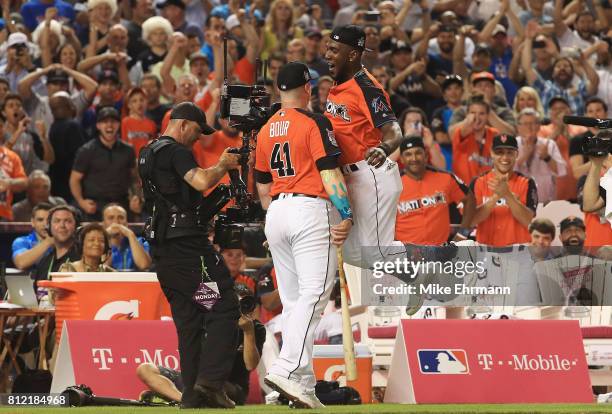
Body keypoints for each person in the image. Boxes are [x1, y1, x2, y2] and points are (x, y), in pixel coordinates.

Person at [254, 62, 353, 409]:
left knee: (295, 302)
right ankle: (287, 367)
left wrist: (273, 221)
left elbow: (262, 184)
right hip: (309, 208)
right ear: (307, 88)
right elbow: (329, 173)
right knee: (315, 294)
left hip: (277, 210)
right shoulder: (314, 121)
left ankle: (301, 383)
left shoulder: (265, 129)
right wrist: (347, 213)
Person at [139, 101, 241, 409]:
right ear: (182, 125)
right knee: (223, 306)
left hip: (165, 254)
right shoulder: (176, 151)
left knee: (191, 319)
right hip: (190, 254)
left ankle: (193, 396)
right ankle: (210, 383)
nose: (198, 139)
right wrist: (223, 164)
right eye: (196, 133)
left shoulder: (149, 151)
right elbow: (200, 180)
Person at [324, 25, 406, 270]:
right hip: (349, 178)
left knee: (375, 255)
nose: (327, 54)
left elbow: (395, 130)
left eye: (334, 50)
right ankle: (422, 271)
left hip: (371, 173)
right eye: (327, 48)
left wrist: (384, 148)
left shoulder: (367, 87)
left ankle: (441, 260)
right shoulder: (338, 85)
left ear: (352, 55)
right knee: (352, 256)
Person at [136, 285, 266, 406]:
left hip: (231, 387)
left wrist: (248, 332)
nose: (239, 309)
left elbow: (250, 365)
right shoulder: (210, 322)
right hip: (197, 379)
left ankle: (172, 396)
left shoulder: (256, 328)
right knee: (145, 369)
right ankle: (183, 400)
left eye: (244, 304)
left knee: (204, 384)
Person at [465, 134, 538, 247]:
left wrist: (507, 195)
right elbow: (471, 221)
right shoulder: (477, 182)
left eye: (509, 152)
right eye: (499, 152)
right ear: (491, 153)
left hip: (518, 253)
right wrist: (495, 198)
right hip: (486, 252)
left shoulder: (527, 183)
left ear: (516, 154)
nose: (505, 157)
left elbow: (528, 221)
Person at [395, 136, 468, 245]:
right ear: (401, 159)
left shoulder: (446, 178)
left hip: (441, 253)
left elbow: (471, 203)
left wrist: (462, 234)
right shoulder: (392, 186)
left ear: (426, 155)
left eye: (418, 153)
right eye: (408, 154)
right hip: (406, 255)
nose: (414, 158)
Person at [70, 107, 137, 221]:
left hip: (121, 205)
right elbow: (74, 179)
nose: (109, 125)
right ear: (98, 126)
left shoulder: (128, 150)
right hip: (95, 208)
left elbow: (134, 178)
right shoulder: (87, 150)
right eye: (105, 122)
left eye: (113, 122)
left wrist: (135, 197)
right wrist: (81, 202)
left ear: (119, 125)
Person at [515, 108, 566, 204]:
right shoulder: (511, 145)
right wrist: (523, 157)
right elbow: (504, 173)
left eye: (533, 123)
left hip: (545, 202)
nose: (529, 127)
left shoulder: (549, 144)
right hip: (518, 202)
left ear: (539, 126)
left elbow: (561, 171)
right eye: (525, 124)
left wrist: (547, 157)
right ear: (518, 127)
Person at [451, 96, 499, 185]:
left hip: (488, 191)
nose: (477, 117)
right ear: (467, 115)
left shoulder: (495, 135)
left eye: (481, 113)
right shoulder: (461, 134)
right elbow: (461, 131)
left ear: (488, 116)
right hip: (464, 191)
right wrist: (467, 122)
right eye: (473, 113)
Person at [30, 205, 80, 282]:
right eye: (57, 221)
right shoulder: (45, 261)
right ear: (49, 227)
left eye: (68, 221)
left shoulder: (82, 258)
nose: (62, 225)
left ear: (76, 226)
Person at [101, 203, 151, 271]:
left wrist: (130, 234)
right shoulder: (99, 244)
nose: (116, 222)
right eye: (111, 218)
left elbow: (144, 265)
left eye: (121, 217)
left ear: (126, 223)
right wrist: (105, 235)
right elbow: (100, 269)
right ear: (104, 224)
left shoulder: (141, 241)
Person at [0, 116, 28, 221]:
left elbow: (24, 183)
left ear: (4, 128)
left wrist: (9, 182)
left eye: (0, 126)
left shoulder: (12, 156)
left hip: (4, 215)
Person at [12, 202, 54, 270]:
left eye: (49, 220)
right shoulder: (22, 242)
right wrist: (48, 242)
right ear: (32, 222)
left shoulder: (61, 242)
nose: (45, 224)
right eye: (40, 220)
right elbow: (21, 263)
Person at [121, 87, 158, 159]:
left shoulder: (152, 124)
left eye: (142, 100)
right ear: (129, 105)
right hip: (130, 162)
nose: (139, 103)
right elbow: (123, 144)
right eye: (134, 101)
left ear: (146, 102)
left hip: (146, 162)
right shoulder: (125, 122)